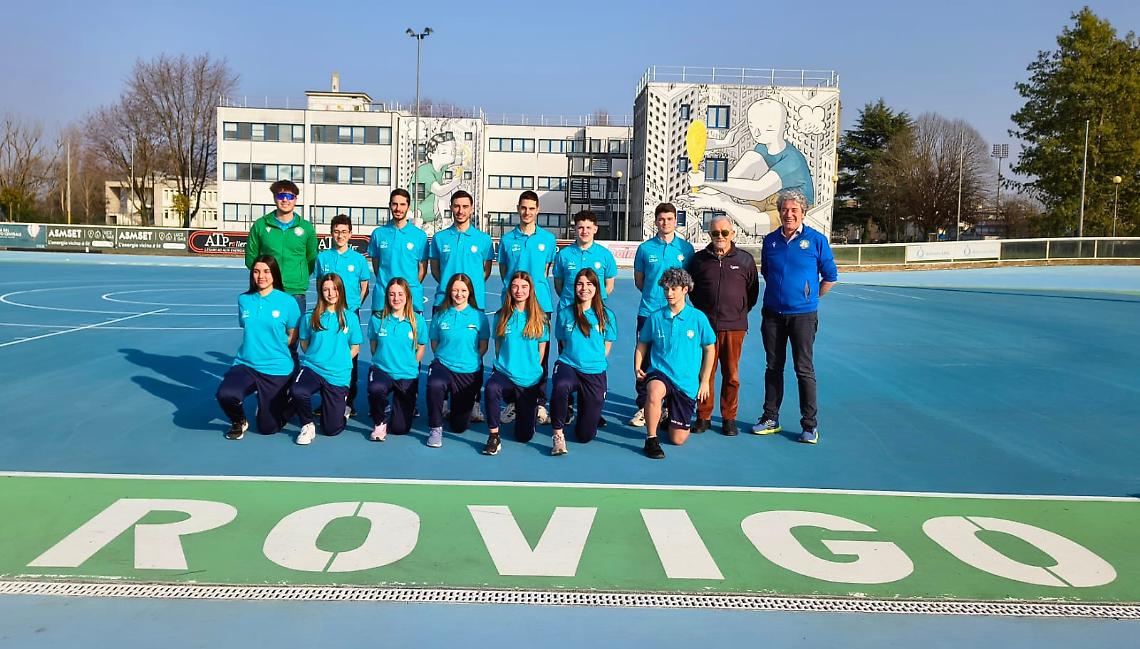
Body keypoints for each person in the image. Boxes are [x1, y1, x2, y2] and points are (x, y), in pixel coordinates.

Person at [751, 189, 837, 444]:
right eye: (784, 210)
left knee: (804, 369)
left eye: (794, 210)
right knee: (773, 367)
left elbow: (830, 276)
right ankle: (771, 418)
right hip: (772, 315)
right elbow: (768, 272)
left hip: (803, 317)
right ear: (779, 212)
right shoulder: (770, 241)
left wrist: (810, 298)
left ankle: (809, 425)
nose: (788, 214)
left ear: (803, 213)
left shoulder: (816, 240)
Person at [691, 98, 816, 234]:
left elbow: (759, 190)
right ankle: (708, 194)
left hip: (793, 206)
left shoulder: (792, 161)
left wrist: (706, 180)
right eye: (752, 126)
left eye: (767, 128)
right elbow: (747, 176)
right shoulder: (762, 147)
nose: (756, 133)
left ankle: (721, 202)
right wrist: (725, 143)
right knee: (752, 157)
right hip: (772, 195)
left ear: (784, 126)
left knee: (753, 224)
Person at [686, 215, 759, 436]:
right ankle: (703, 416)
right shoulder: (698, 260)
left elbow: (752, 293)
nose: (720, 236)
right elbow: (692, 292)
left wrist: (738, 312)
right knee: (705, 373)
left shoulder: (745, 260)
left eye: (725, 232)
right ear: (709, 234)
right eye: (715, 233)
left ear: (732, 234)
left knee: (732, 375)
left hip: (734, 327)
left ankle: (729, 418)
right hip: (706, 327)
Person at [215, 255, 301, 439]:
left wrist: (276, 347)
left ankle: (290, 402)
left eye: (266, 271)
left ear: (274, 274)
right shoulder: (244, 300)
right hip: (247, 364)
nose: (261, 276)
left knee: (268, 428)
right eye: (256, 271)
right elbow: (248, 327)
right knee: (225, 394)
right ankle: (239, 421)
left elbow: (293, 334)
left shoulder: (288, 301)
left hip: (276, 368)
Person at [634, 268, 716, 460]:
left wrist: (704, 381)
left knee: (678, 439)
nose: (669, 293)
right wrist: (637, 365)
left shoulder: (698, 318)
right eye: (666, 289)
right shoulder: (655, 317)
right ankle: (651, 439)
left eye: (673, 289)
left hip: (686, 382)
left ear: (685, 290)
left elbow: (709, 349)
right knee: (654, 391)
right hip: (661, 372)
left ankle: (668, 415)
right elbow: (643, 343)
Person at [428, 190, 494, 422]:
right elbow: (435, 270)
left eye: (465, 206)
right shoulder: (439, 239)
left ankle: (474, 401)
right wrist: (451, 290)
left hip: (474, 304)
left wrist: (467, 292)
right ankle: (445, 399)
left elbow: (485, 271)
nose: (460, 211)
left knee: (474, 353)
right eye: (456, 206)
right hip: (444, 301)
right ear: (451, 208)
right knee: (444, 348)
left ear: (472, 209)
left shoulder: (484, 240)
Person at [629, 203, 696, 427]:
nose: (665, 223)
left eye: (669, 219)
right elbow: (640, 281)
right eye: (661, 219)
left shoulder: (686, 249)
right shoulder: (645, 249)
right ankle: (644, 405)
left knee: (671, 357)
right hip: (649, 312)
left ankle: (667, 405)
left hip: (677, 315)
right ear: (655, 221)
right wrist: (654, 298)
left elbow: (689, 281)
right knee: (645, 359)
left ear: (675, 221)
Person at [553, 210, 618, 426]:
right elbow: (559, 285)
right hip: (569, 316)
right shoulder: (564, 255)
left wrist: (594, 303)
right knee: (568, 360)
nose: (584, 231)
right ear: (575, 229)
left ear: (595, 229)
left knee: (591, 361)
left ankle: (589, 407)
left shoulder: (604, 255)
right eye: (580, 227)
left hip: (594, 314)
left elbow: (609, 284)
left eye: (588, 227)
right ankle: (567, 407)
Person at [497, 190, 557, 425]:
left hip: (540, 305)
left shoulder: (548, 240)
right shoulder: (506, 240)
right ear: (518, 209)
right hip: (513, 305)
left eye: (532, 208)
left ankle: (539, 401)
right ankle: (512, 401)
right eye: (523, 208)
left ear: (538, 210)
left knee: (540, 355)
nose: (527, 212)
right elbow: (505, 273)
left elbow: (545, 271)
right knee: (511, 351)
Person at [549, 268, 617, 456]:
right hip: (569, 364)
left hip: (594, 370)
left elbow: (606, 346)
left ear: (597, 287)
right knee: (561, 386)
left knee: (585, 436)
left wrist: (592, 360)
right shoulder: (565, 313)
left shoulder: (607, 316)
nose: (584, 288)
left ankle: (586, 411)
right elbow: (563, 342)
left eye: (589, 284)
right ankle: (558, 435)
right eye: (580, 284)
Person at [482, 271, 549, 456]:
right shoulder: (501, 316)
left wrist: (530, 369)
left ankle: (526, 409)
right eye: (515, 286)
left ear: (530, 290)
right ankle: (493, 436)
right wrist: (507, 365)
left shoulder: (540, 317)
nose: (519, 291)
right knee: (491, 388)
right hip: (505, 373)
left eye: (524, 287)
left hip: (529, 378)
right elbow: (498, 346)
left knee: (524, 436)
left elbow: (541, 350)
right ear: (510, 289)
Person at [292, 273, 363, 445]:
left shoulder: (350, 318)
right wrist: (317, 357)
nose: (331, 293)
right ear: (320, 292)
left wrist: (339, 361)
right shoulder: (310, 316)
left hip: (338, 374)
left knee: (331, 429)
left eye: (334, 289)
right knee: (298, 390)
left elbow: (355, 347)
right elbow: (304, 343)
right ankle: (307, 425)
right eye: (326, 289)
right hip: (314, 369)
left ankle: (341, 411)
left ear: (341, 291)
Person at [425, 273, 490, 448]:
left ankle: (456, 407)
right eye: (455, 290)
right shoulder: (440, 315)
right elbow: (434, 343)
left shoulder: (479, 317)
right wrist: (445, 358)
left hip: (468, 370)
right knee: (435, 384)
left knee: (459, 426)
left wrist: (470, 359)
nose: (459, 294)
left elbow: (483, 346)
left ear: (469, 292)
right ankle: (435, 427)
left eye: (463, 290)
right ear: (449, 292)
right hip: (444, 365)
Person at [316, 215, 371, 415]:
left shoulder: (358, 259)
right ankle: (326, 400)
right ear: (331, 233)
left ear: (350, 234)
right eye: (337, 231)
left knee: (350, 358)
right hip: (327, 313)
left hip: (349, 313)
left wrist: (353, 307)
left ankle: (348, 401)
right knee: (326, 355)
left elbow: (364, 287)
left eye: (344, 232)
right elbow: (319, 284)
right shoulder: (323, 258)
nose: (340, 235)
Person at [367, 278, 428, 442]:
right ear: (387, 296)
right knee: (376, 388)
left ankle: (399, 406)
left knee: (400, 429)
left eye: (400, 294)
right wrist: (382, 360)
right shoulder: (377, 319)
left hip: (406, 373)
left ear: (407, 296)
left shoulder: (418, 321)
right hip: (382, 370)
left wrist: (411, 364)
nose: (396, 298)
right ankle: (379, 423)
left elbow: (421, 346)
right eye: (392, 294)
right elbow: (373, 346)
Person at [245, 180, 318, 315]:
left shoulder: (306, 228)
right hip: (268, 290)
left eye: (289, 196)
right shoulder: (260, 225)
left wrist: (298, 276)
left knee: (295, 328)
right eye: (280, 196)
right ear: (274, 198)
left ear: (295, 199)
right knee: (268, 327)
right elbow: (251, 258)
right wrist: (265, 277)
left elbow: (311, 258)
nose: (285, 200)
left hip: (295, 292)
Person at [369, 189, 428, 315]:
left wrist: (406, 289)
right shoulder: (378, 234)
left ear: (408, 206)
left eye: (402, 204)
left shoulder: (420, 236)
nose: (398, 208)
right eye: (395, 204)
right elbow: (376, 266)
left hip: (411, 300)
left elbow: (422, 270)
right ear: (390, 205)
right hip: (383, 299)